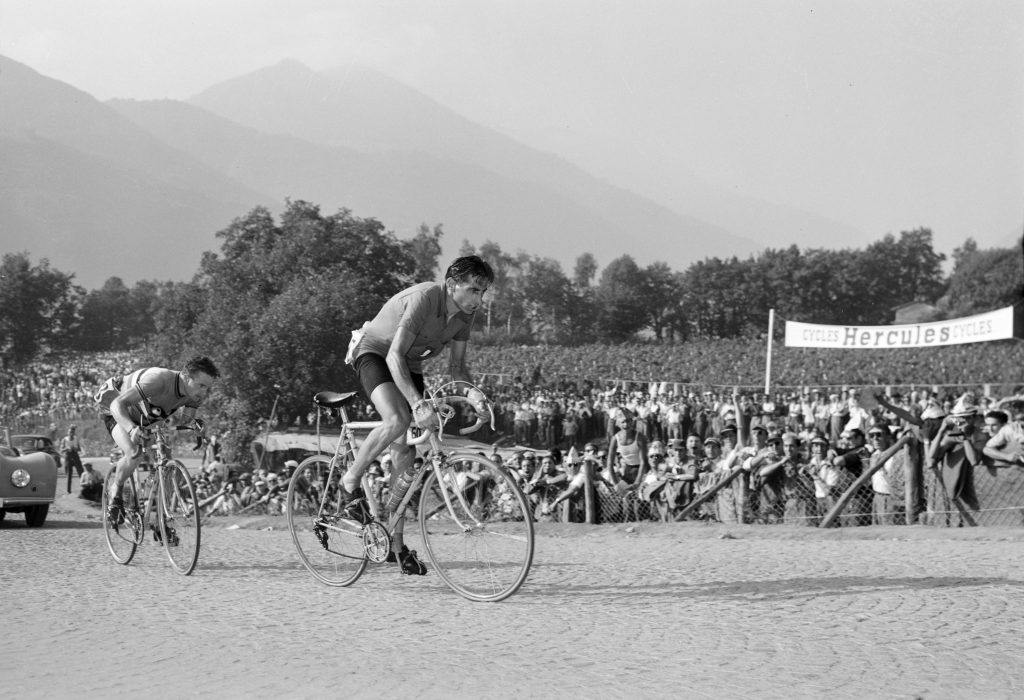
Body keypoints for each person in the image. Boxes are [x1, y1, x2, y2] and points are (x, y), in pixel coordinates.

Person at [340, 255, 494, 575]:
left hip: (409, 366)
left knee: (405, 457)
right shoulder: (426, 298)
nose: (480, 299)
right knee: (397, 419)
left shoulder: (465, 315)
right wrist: (418, 404)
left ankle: (395, 546)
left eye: (484, 292)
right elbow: (394, 355)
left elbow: (457, 369)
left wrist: (473, 393)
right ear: (452, 285)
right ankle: (349, 480)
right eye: (474, 290)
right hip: (376, 354)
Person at [97, 356, 219, 539]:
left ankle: (160, 521)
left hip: (147, 416)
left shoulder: (194, 394)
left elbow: (184, 420)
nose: (204, 392)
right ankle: (116, 490)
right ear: (186, 376)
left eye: (208, 388)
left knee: (168, 465)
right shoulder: (158, 380)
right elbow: (118, 404)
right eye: (201, 385)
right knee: (135, 453)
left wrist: (195, 426)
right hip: (115, 407)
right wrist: (131, 428)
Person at [60, 423, 83, 493]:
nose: (71, 433)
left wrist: (76, 448)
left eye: (72, 432)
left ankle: (84, 488)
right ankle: (68, 490)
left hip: (75, 455)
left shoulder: (76, 439)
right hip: (68, 456)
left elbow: (79, 449)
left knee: (81, 472)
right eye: (70, 432)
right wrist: (67, 448)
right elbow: (61, 450)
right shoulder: (64, 439)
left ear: (74, 432)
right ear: (68, 432)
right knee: (69, 474)